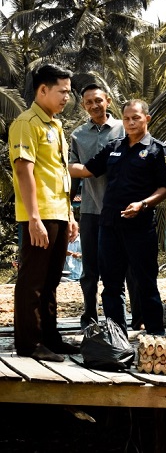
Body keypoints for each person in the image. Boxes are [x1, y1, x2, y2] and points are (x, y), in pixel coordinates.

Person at [68, 99, 166, 336]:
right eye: (126, 118)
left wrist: (143, 204)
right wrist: (56, 165)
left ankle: (155, 337)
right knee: (111, 285)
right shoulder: (114, 146)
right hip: (109, 225)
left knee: (146, 282)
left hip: (140, 226)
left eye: (136, 117)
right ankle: (117, 336)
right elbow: (86, 170)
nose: (131, 122)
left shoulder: (157, 150)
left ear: (147, 118)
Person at [8, 63, 79, 362]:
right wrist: (34, 217)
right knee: (33, 280)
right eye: (62, 91)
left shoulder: (56, 125)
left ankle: (50, 337)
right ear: (42, 90)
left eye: (69, 91)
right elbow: (24, 172)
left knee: (52, 280)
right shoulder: (26, 123)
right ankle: (29, 343)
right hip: (40, 214)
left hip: (60, 212)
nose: (67, 97)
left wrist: (71, 216)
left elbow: (59, 173)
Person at [68, 83, 130, 330]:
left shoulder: (123, 129)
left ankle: (121, 322)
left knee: (121, 269)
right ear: (84, 105)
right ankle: (89, 318)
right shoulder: (77, 135)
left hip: (120, 210)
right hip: (91, 210)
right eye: (88, 102)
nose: (94, 105)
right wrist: (68, 209)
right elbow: (71, 171)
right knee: (89, 271)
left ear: (108, 102)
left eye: (98, 100)